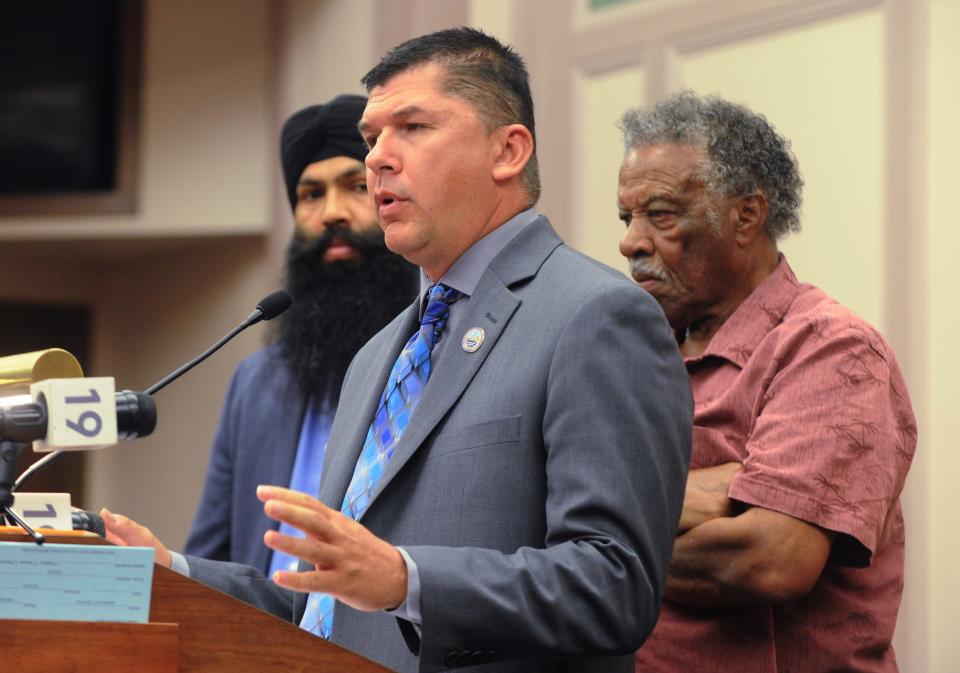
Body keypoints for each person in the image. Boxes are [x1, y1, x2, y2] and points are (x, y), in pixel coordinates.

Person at [104, 27, 692, 673]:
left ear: (508, 150)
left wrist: (406, 578)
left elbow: (614, 584)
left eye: (411, 126)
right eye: (372, 137)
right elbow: (322, 609)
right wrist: (172, 571)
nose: (377, 158)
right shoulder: (378, 354)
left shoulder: (594, 314)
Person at [616, 90, 916, 672]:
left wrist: (591, 541)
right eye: (627, 217)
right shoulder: (631, 357)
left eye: (661, 214)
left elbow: (770, 559)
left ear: (746, 214)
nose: (631, 241)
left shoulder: (830, 347)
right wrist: (711, 492)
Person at [182, 94, 419, 576]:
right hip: (268, 645)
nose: (332, 213)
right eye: (311, 195)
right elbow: (212, 553)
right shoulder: (255, 383)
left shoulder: (434, 354)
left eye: (356, 186)